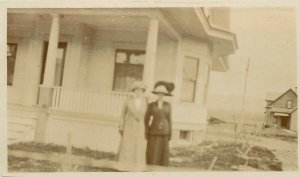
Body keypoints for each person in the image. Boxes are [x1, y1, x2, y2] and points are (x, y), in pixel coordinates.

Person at [117, 81, 148, 170]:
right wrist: (121, 126)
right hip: (129, 127)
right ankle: (124, 166)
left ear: (143, 92)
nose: (139, 92)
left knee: (139, 147)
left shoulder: (145, 101)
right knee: (127, 146)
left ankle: (138, 167)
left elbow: (146, 116)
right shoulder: (128, 100)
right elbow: (122, 114)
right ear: (134, 90)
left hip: (140, 127)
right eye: (137, 90)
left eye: (141, 90)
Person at [145, 81, 175, 166]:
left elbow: (169, 120)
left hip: (164, 131)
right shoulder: (152, 105)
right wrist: (146, 132)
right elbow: (146, 120)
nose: (160, 95)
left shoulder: (168, 105)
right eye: (159, 93)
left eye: (162, 94)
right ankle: (151, 167)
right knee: (153, 150)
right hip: (153, 131)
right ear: (157, 94)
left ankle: (162, 169)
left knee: (163, 151)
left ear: (165, 95)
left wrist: (170, 133)